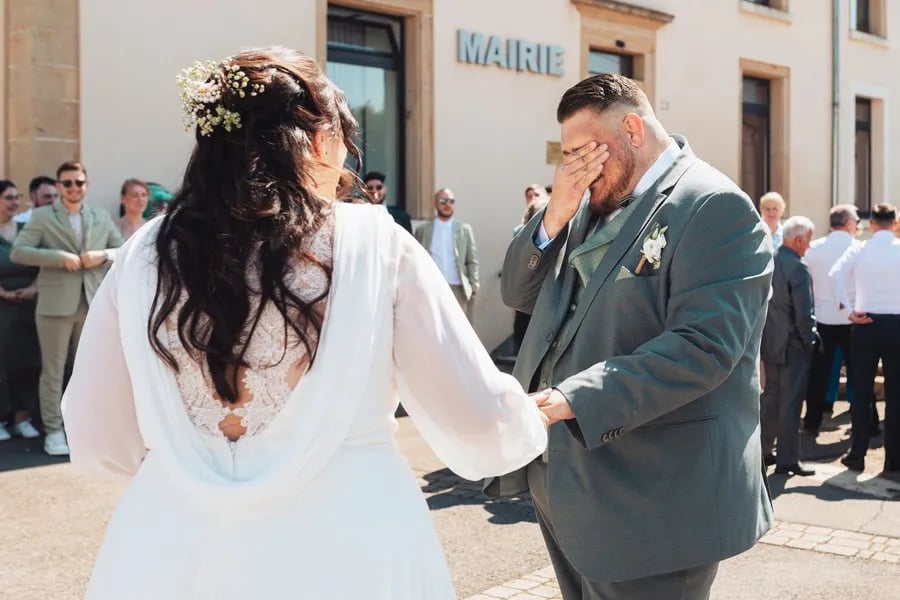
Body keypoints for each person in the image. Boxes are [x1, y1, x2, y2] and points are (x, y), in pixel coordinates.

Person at [60, 47, 547, 599]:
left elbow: (97, 437)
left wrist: (182, 461)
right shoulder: (375, 244)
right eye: (345, 143)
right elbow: (479, 424)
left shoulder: (143, 252)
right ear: (317, 142)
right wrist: (534, 413)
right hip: (347, 544)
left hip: (172, 549)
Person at [488, 73, 773, 599]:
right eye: (567, 155)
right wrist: (555, 211)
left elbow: (703, 348)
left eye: (584, 151)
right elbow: (516, 291)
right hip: (570, 484)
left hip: (654, 499)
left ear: (634, 129)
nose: (575, 167)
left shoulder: (715, 207)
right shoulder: (585, 200)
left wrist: (569, 398)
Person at [11, 161, 123, 456]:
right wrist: (58, 257)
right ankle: (53, 431)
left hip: (92, 303)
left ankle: (87, 429)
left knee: (90, 369)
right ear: (59, 186)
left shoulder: (99, 216)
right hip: (55, 306)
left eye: (79, 182)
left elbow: (123, 251)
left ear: (86, 185)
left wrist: (102, 254)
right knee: (54, 370)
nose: (74, 188)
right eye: (68, 183)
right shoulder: (43, 216)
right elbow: (19, 252)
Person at [830, 203, 900, 473]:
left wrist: (847, 309)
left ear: (872, 224)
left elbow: (835, 274)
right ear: (894, 223)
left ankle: (857, 453)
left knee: (861, 391)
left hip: (866, 322)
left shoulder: (860, 248)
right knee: (895, 394)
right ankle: (893, 459)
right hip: (895, 323)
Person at [760, 216, 818, 476]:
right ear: (798, 239)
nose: (809, 246)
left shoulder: (768, 259)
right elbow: (804, 313)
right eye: (808, 240)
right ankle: (787, 459)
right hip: (793, 344)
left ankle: (762, 451)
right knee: (790, 403)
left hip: (770, 341)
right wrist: (810, 341)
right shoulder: (798, 267)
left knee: (771, 398)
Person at [802, 204, 860, 433]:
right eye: (856, 220)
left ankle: (812, 420)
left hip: (823, 317)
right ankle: (867, 422)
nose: (858, 224)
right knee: (859, 372)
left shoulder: (813, 249)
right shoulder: (858, 249)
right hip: (852, 318)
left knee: (818, 373)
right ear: (847, 223)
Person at [0, 180, 41, 441]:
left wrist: (34, 289)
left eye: (17, 197)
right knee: (2, 363)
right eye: (8, 197)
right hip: (1, 307)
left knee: (28, 361)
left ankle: (23, 418)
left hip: (29, 306)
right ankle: (2, 419)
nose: (15, 202)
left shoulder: (28, 230)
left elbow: (42, 264)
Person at [414, 189, 479, 320]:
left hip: (457, 288)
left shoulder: (464, 229)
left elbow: (471, 260)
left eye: (451, 201)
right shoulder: (423, 230)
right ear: (435, 204)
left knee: (458, 331)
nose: (447, 204)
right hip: (432, 288)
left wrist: (473, 284)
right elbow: (417, 260)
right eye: (443, 201)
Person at [513, 184, 549, 353]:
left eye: (537, 194)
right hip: (528, 300)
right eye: (530, 195)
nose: (533, 197)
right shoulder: (521, 232)